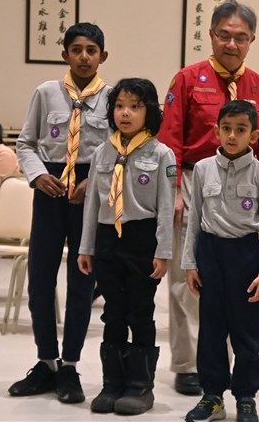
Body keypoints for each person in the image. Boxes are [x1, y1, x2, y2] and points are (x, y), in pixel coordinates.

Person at [157, 0, 259, 395]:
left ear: (252, 41)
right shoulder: (186, 80)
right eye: (225, 36)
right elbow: (169, 141)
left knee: (236, 282)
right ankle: (189, 364)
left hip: (247, 186)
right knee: (188, 279)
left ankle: (228, 363)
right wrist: (174, 191)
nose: (232, 44)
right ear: (211, 35)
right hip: (197, 181)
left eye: (240, 38)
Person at [11, 22, 112, 403]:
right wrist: (38, 176)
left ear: (103, 56)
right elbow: (25, 143)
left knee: (82, 283)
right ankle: (46, 361)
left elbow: (118, 149)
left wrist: (95, 182)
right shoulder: (46, 93)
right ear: (65, 54)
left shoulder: (113, 98)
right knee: (40, 278)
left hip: (89, 194)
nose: (84, 57)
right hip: (50, 189)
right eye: (77, 50)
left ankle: (70, 365)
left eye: (91, 50)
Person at [78, 78, 176, 415]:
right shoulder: (102, 152)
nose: (125, 113)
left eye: (135, 106)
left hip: (142, 239)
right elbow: (92, 203)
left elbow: (166, 208)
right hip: (108, 238)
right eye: (119, 106)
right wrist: (86, 247)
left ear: (149, 112)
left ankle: (140, 386)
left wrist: (163, 252)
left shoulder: (161, 154)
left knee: (140, 312)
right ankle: (112, 383)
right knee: (113, 312)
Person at [180, 100, 259, 422]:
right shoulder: (203, 169)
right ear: (216, 131)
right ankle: (213, 396)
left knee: (246, 329)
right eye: (226, 128)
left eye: (241, 129)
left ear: (254, 135)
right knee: (211, 328)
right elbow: (194, 219)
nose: (232, 135)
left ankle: (246, 396)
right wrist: (190, 263)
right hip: (210, 253)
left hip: (245, 254)